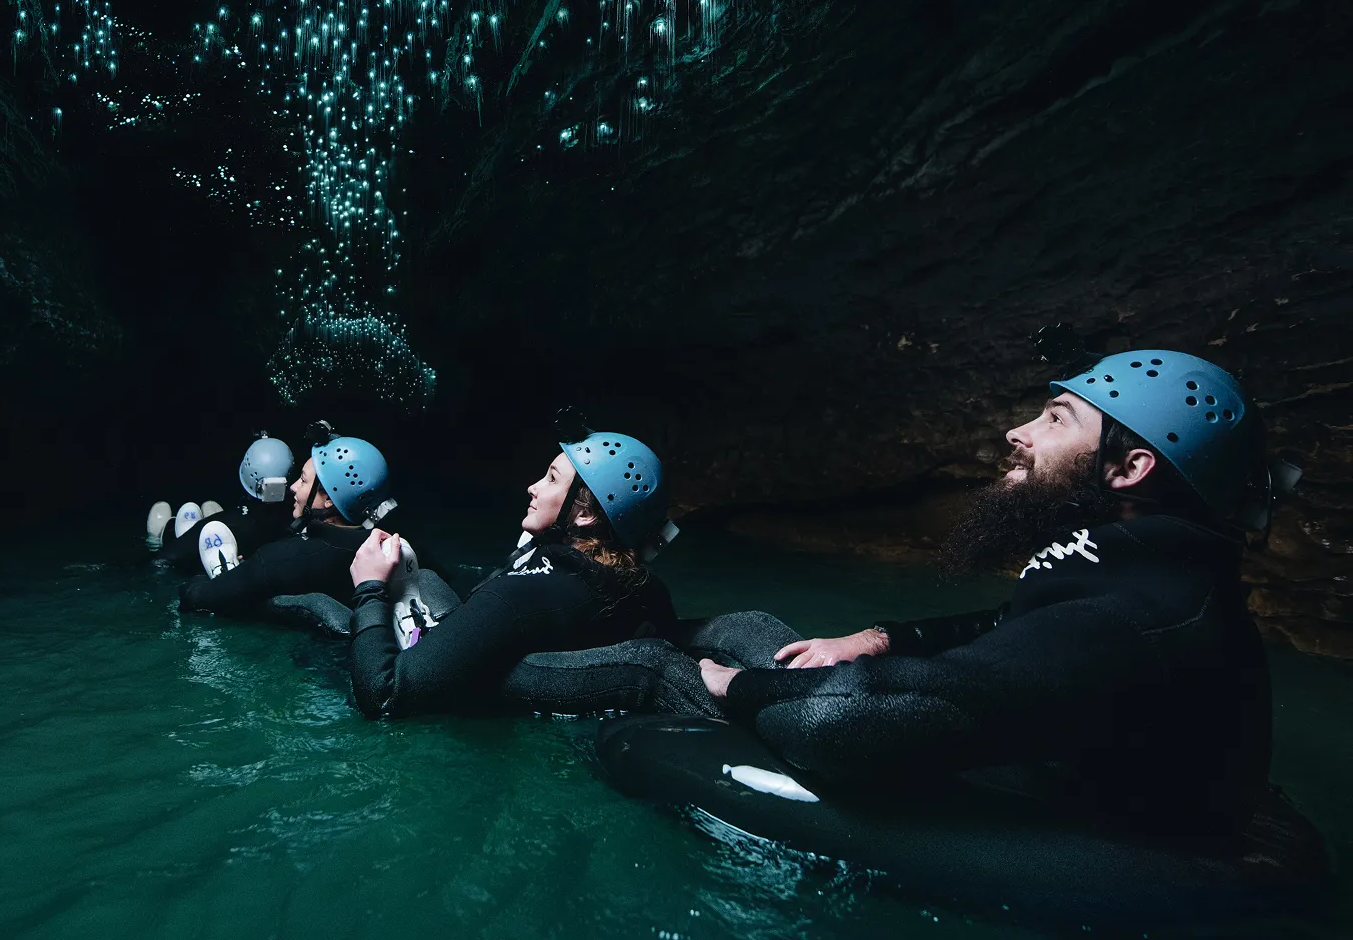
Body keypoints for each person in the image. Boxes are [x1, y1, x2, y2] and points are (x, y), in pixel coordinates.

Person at [692, 349, 1275, 838]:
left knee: (708, 658)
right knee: (741, 626)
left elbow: (842, 724)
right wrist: (878, 639)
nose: (1016, 433)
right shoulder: (1139, 567)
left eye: (1056, 419)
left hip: (1111, 831)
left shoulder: (1138, 614)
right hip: (1047, 750)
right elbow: (1009, 627)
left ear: (1129, 468)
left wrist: (733, 685)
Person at [347, 427, 679, 719]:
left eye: (551, 478)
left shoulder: (516, 598)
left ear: (585, 514)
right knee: (430, 579)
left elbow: (383, 694)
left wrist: (369, 586)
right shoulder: (649, 590)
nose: (533, 487)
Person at [179, 425, 398, 617]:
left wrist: (199, 580)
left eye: (302, 480)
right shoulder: (394, 550)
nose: (292, 487)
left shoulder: (279, 560)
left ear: (330, 499)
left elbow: (198, 598)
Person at [156, 433, 298, 575]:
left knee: (180, 549)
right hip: (263, 561)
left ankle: (160, 538)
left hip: (191, 561)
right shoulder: (296, 520)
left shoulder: (233, 523)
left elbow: (164, 558)